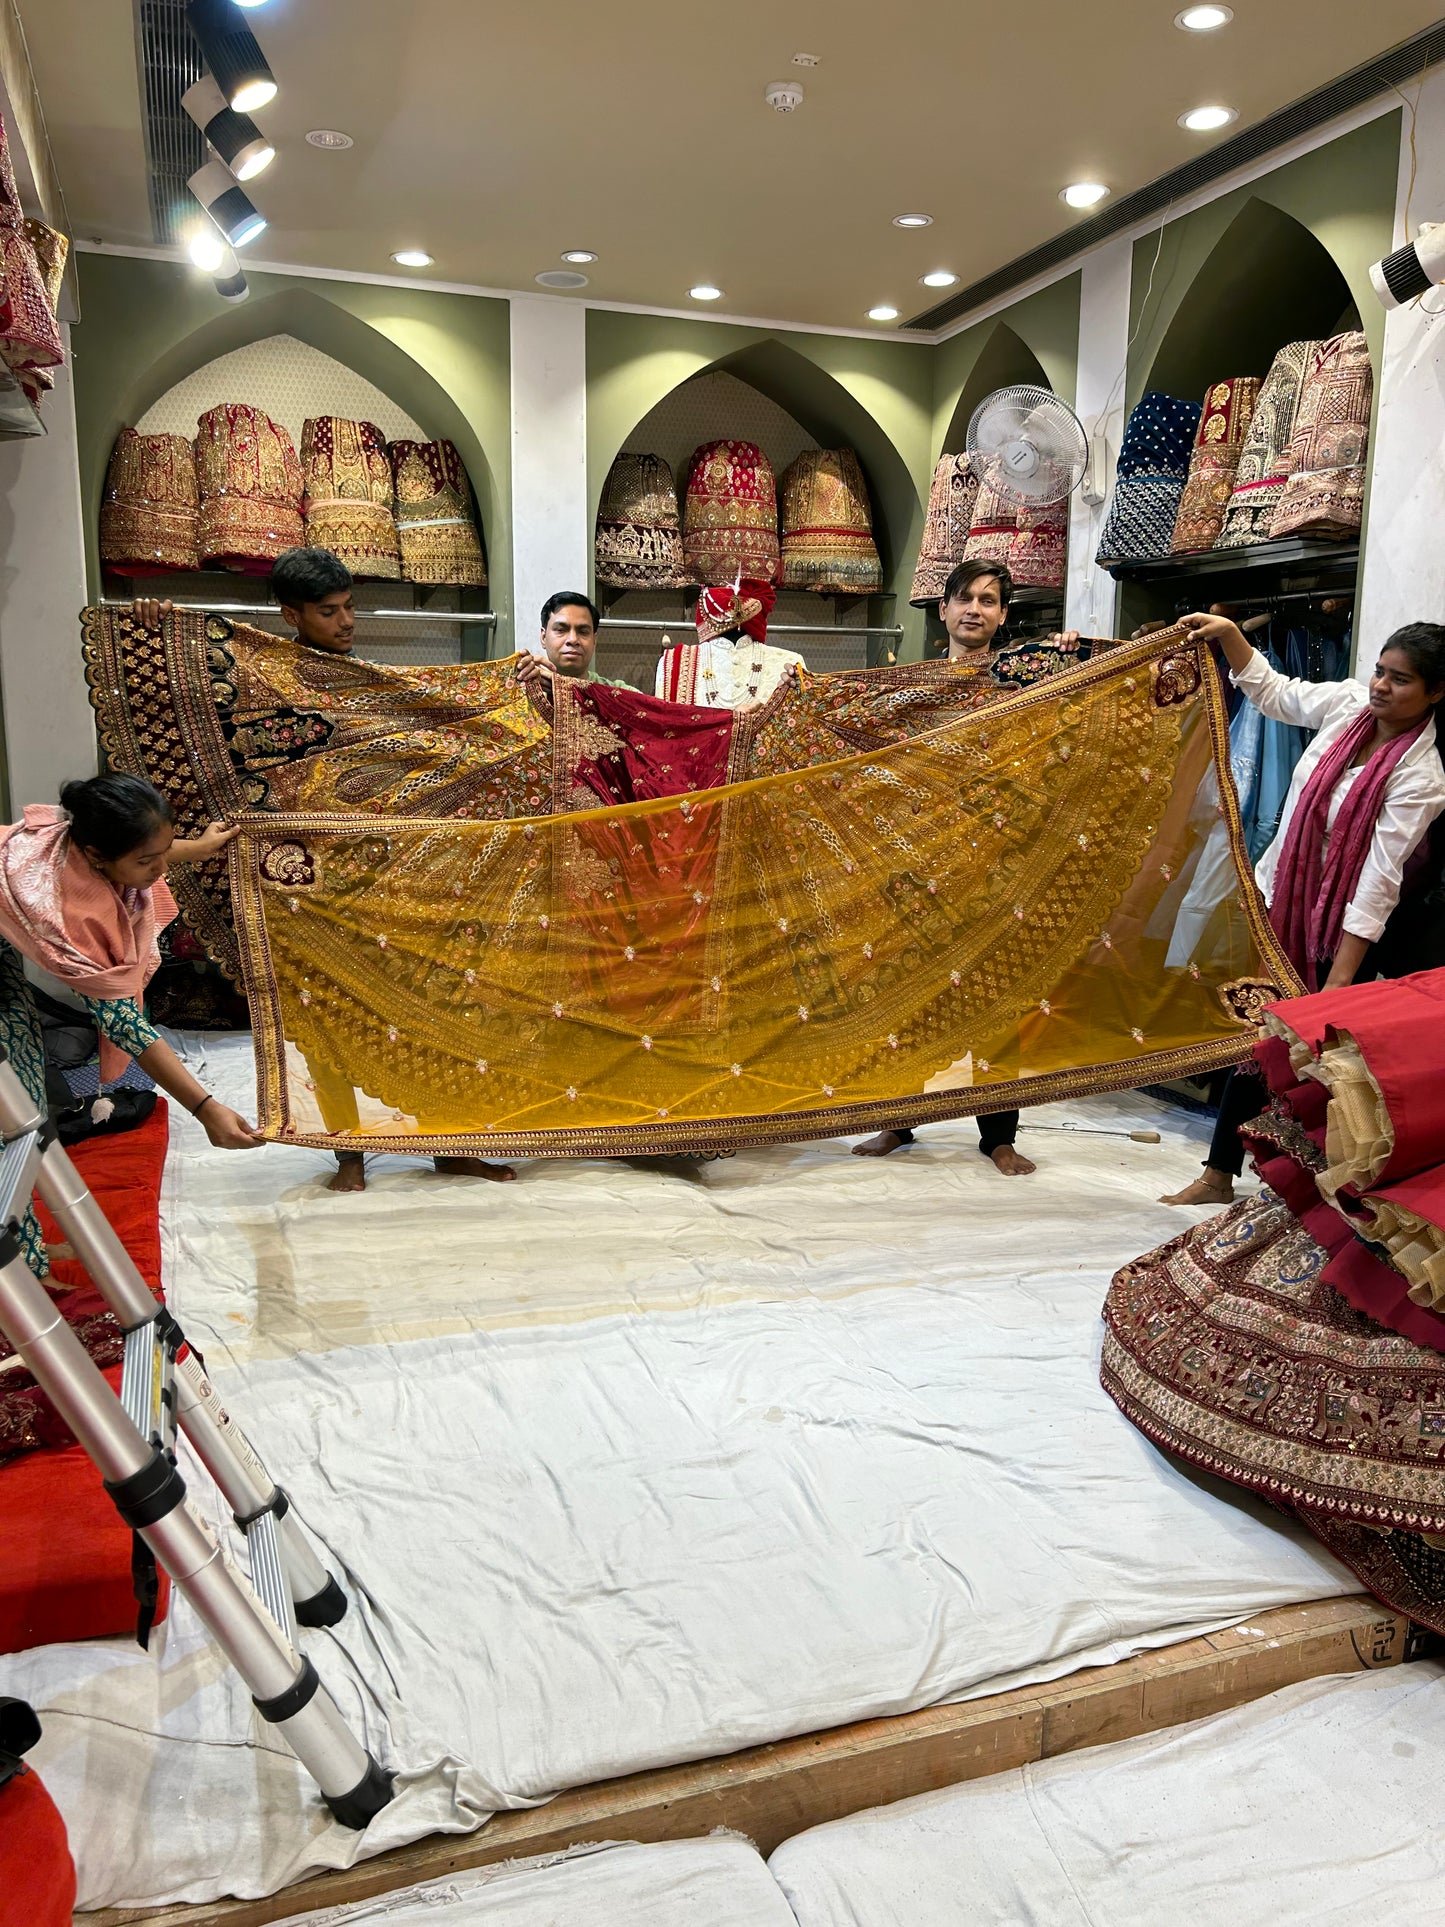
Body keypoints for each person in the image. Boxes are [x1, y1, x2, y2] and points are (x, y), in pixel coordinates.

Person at [130, 558, 516, 1194]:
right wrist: (153, 627)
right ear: (291, 614)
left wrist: (515, 681)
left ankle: (452, 1142)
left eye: (349, 607)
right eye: (328, 611)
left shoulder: (367, 681)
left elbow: (441, 714)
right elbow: (180, 699)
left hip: (386, 876)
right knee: (323, 1015)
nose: (346, 622)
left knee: (428, 1005)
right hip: (300, 878)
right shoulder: (257, 678)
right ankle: (346, 1152)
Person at [1163, 611, 1445, 1206]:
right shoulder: (1347, 707)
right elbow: (1275, 694)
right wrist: (1231, 636)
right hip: (1280, 908)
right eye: (1379, 671)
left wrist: (1338, 982)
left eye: (1400, 680)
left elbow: (1378, 881)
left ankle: (1307, 1195)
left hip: (1342, 937)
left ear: (1435, 693)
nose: (1380, 686)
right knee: (1256, 1041)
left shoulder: (1421, 776)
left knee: (1319, 1061)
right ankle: (1218, 1175)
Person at [853, 559, 1079, 1177]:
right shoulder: (913, 688)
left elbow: (1092, 696)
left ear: (1004, 614)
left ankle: (997, 1135)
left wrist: (1069, 653)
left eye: (988, 600)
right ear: (945, 610)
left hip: (1002, 860)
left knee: (998, 993)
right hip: (921, 860)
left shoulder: (1026, 678)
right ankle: (897, 1121)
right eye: (964, 599)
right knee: (909, 993)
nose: (975, 609)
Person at [0, 775, 264, 1281]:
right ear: (98, 855)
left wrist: (204, 846)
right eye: (148, 862)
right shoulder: (71, 910)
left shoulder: (83, 840)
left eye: (164, 850)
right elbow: (123, 1022)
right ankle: (17, 1269)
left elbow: (149, 849)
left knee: (27, 1094)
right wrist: (206, 1109)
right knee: (9, 1117)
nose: (160, 869)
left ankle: (25, 1248)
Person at [515, 592, 633, 692]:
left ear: (594, 641)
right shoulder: (522, 692)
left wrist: (561, 689)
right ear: (543, 637)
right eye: (561, 630)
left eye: (583, 632)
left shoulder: (619, 694)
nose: (573, 639)